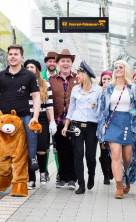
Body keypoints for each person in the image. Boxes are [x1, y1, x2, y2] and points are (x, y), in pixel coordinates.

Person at [0, 44, 41, 171]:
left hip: (23, 115)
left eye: (16, 54)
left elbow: (36, 97)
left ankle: (33, 158)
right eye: (10, 54)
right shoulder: (0, 76)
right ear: (7, 57)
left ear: (22, 57)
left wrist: (36, 117)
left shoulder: (30, 76)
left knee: (32, 129)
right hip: (2, 115)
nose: (13, 57)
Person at [97, 60, 136, 199]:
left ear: (126, 69)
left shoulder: (133, 87)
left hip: (128, 123)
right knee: (116, 155)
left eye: (120, 67)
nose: (117, 69)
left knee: (127, 157)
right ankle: (119, 187)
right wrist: (101, 129)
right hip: (112, 123)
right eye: (116, 67)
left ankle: (126, 177)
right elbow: (102, 109)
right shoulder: (108, 88)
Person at [61, 61, 102, 194]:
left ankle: (91, 175)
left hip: (92, 127)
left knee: (90, 156)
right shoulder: (75, 89)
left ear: (85, 75)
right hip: (77, 127)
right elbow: (71, 109)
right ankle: (81, 184)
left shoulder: (98, 90)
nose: (76, 76)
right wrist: (66, 125)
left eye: (78, 74)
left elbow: (101, 111)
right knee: (78, 155)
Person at [24, 59, 57, 190]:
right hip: (26, 117)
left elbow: (49, 105)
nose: (29, 69)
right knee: (28, 149)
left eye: (32, 67)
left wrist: (52, 121)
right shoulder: (21, 83)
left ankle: (43, 172)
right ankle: (31, 178)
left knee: (41, 148)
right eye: (27, 67)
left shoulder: (45, 84)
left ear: (37, 69)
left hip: (42, 117)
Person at [49, 49, 80, 190]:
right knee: (60, 150)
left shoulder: (77, 79)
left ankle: (73, 179)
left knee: (73, 150)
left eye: (68, 61)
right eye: (63, 61)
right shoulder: (52, 80)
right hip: (58, 121)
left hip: (74, 121)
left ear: (71, 63)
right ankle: (63, 177)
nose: (65, 63)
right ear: (58, 63)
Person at [41, 51, 60, 183]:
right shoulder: (39, 76)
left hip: (57, 116)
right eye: (49, 61)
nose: (52, 63)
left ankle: (60, 172)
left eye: (54, 61)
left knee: (58, 147)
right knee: (44, 146)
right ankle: (45, 171)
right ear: (46, 62)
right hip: (42, 117)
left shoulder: (61, 76)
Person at [97, 71, 113, 185]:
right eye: (104, 79)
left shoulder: (116, 91)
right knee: (103, 149)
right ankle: (106, 175)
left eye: (109, 79)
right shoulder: (98, 91)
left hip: (114, 124)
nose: (106, 81)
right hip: (102, 125)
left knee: (114, 150)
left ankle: (112, 170)